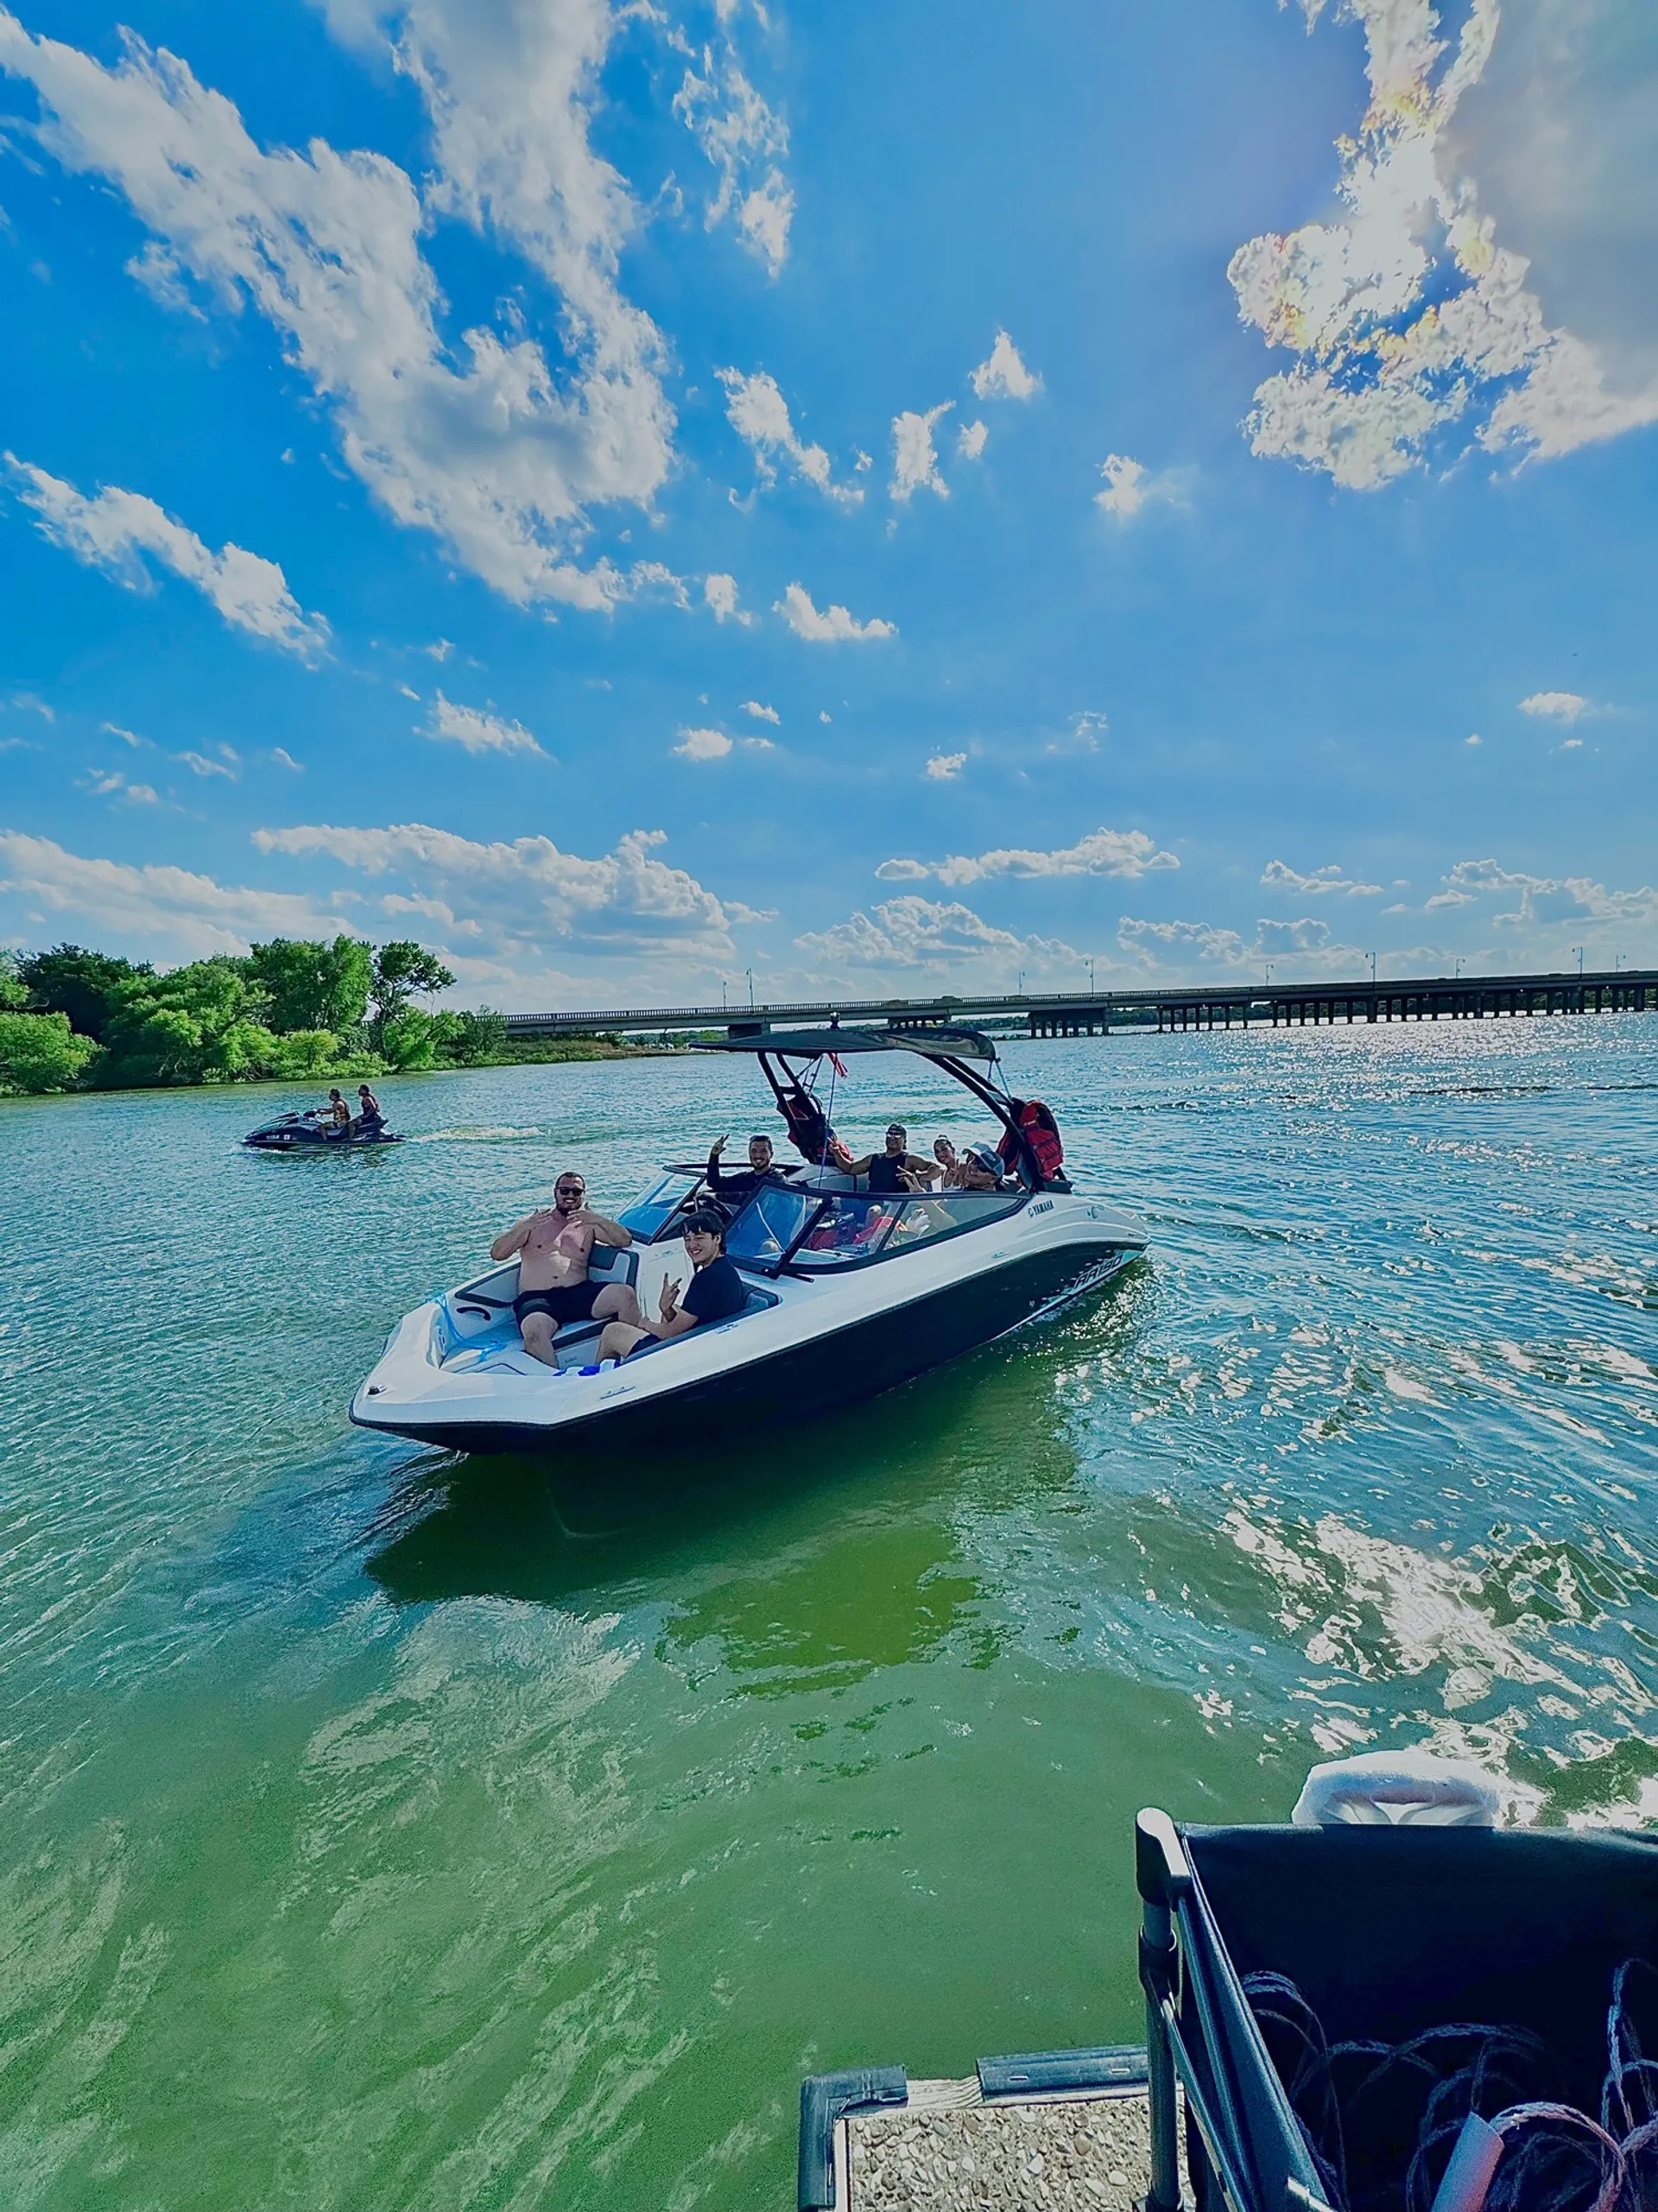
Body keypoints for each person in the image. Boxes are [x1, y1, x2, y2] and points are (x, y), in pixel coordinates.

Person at [490, 1172, 636, 1368]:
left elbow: (624, 1239)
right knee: (534, 1331)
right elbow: (498, 1253)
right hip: (538, 1298)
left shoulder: (588, 1225)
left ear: (583, 1195)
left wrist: (598, 1219)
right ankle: (556, 1383)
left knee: (624, 1294)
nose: (570, 1196)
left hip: (578, 1292)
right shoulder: (534, 1223)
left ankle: (634, 1361)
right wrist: (523, 1226)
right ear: (555, 1193)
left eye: (576, 1192)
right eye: (565, 1190)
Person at [596, 1208, 748, 1362]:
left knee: (612, 1331)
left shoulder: (708, 1278)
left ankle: (601, 1380)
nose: (692, 1245)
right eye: (687, 1239)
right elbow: (686, 1321)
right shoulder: (724, 1268)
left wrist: (646, 1324)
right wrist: (666, 1308)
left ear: (717, 1239)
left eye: (699, 1238)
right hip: (706, 1339)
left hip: (692, 1352)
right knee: (672, 1310)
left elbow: (670, 1333)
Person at [848, 1122, 941, 1194]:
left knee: (874, 1211)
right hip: (872, 1200)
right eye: (890, 1134)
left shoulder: (910, 1159)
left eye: (897, 1135)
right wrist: (837, 1152)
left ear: (904, 1140)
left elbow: (938, 1169)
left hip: (896, 1205)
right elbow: (851, 1169)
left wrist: (916, 1177)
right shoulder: (873, 1158)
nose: (892, 1137)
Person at [706, 1130, 788, 1204]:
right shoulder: (744, 1178)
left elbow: (758, 1196)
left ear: (771, 1155)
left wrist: (718, 1196)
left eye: (763, 1151)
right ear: (749, 1154)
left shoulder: (778, 1180)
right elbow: (715, 1183)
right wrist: (714, 1156)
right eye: (754, 1151)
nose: (758, 1155)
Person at [997, 1097, 1065, 1186]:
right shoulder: (1046, 1138)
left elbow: (1006, 1168)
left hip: (1034, 1184)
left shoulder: (1020, 1143)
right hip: (1043, 1176)